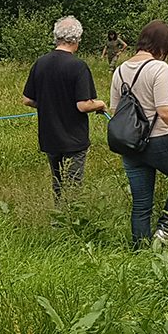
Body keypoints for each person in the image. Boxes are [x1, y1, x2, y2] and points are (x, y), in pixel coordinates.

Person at [110, 20, 168, 248]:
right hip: (160, 141)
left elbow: (116, 111)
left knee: (141, 204)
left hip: (130, 144)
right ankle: (165, 228)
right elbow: (164, 111)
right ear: (163, 45)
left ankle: (140, 252)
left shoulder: (119, 71)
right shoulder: (159, 68)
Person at [22, 15, 107, 199]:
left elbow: (27, 99)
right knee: (73, 185)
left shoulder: (40, 63)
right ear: (75, 39)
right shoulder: (78, 66)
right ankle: (71, 222)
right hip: (73, 139)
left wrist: (47, 104)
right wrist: (101, 104)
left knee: (58, 184)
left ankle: (58, 219)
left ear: (57, 37)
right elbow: (83, 105)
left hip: (49, 136)